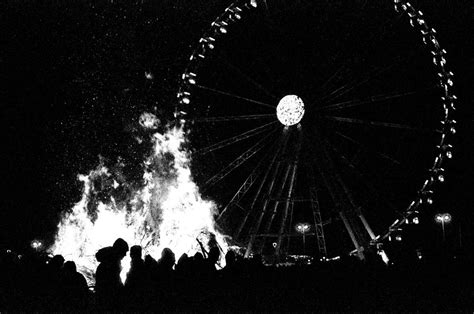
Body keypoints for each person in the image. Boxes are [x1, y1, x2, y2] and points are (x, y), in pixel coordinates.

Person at [95, 238, 129, 308]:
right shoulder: (112, 264)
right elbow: (114, 282)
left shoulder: (108, 261)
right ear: (119, 250)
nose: (125, 254)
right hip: (108, 298)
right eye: (124, 251)